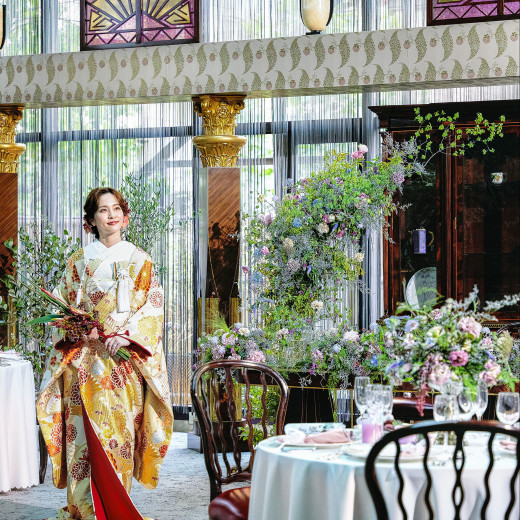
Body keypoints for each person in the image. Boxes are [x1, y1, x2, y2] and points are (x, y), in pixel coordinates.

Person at [37, 187, 173, 520]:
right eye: (102, 210)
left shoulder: (141, 260)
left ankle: (115, 506)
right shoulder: (79, 261)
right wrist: (81, 328)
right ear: (90, 221)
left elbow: (152, 308)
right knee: (81, 439)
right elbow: (62, 308)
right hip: (83, 362)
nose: (110, 215)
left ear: (125, 217)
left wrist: (127, 337)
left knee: (120, 434)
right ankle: (83, 509)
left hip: (121, 365)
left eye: (116, 209)